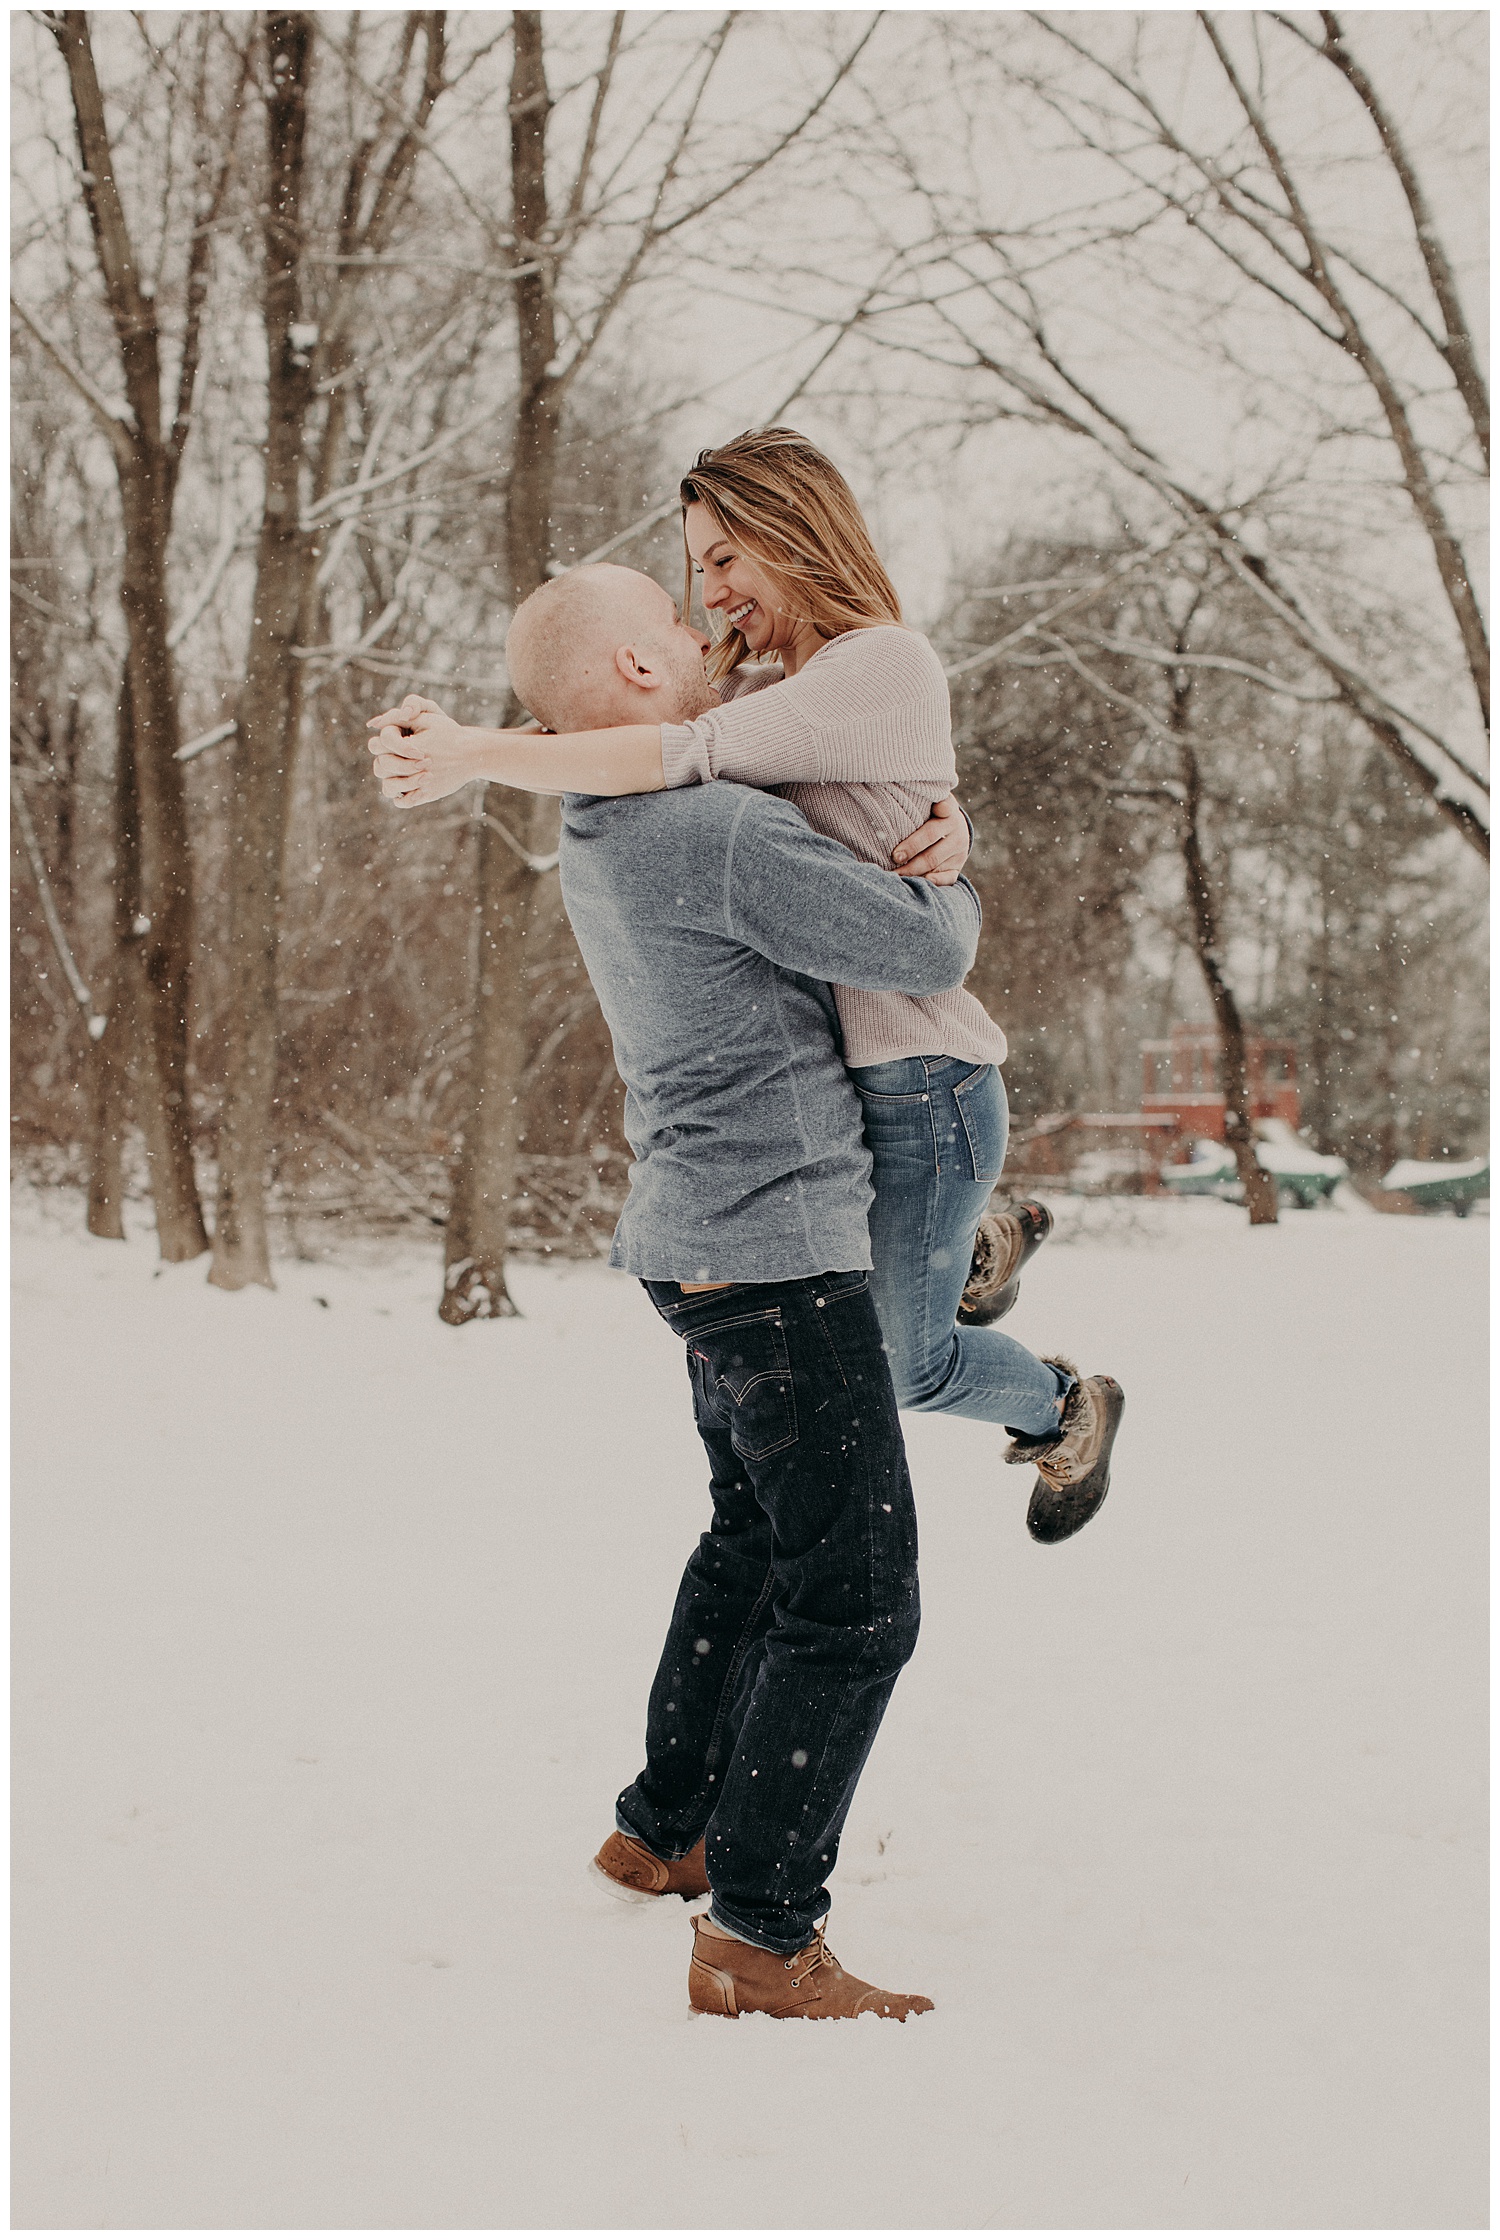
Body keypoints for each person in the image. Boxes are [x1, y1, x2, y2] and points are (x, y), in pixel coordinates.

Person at [392, 563, 993, 2015]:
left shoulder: (606, 819)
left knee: (751, 1543)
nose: (703, 623)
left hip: (697, 1243)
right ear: (642, 680)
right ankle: (761, 1936)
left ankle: (666, 1829)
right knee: (855, 1601)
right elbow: (931, 943)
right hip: (776, 1251)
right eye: (674, 618)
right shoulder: (714, 827)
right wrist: (945, 856)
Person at [368, 429, 1123, 1543]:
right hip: (867, 1089)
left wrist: (475, 752)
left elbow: (665, 753)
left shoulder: (877, 662)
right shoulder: (777, 685)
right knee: (896, 1314)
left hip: (925, 1081)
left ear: (793, 530)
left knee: (905, 1367)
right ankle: (969, 1247)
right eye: (695, 571)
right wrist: (528, 725)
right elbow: (622, 734)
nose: (710, 594)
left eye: (725, 559)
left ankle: (1068, 1406)